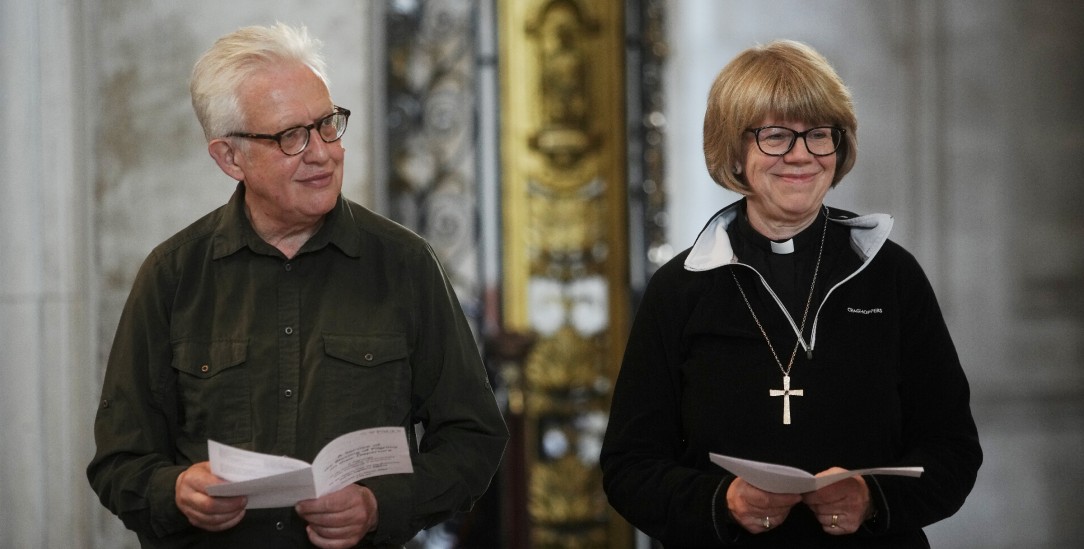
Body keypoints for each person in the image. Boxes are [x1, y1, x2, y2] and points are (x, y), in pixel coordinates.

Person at [87, 23, 508, 548]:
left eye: (328, 124)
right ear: (229, 157)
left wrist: (381, 506)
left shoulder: (405, 265)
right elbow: (117, 464)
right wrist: (173, 491)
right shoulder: (173, 276)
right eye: (291, 136)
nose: (322, 153)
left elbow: (474, 438)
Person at [600, 40, 981, 547]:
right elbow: (629, 468)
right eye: (776, 136)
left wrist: (871, 499)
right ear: (734, 150)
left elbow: (953, 450)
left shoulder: (891, 275)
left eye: (819, 135)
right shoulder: (681, 288)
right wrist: (723, 502)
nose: (801, 155)